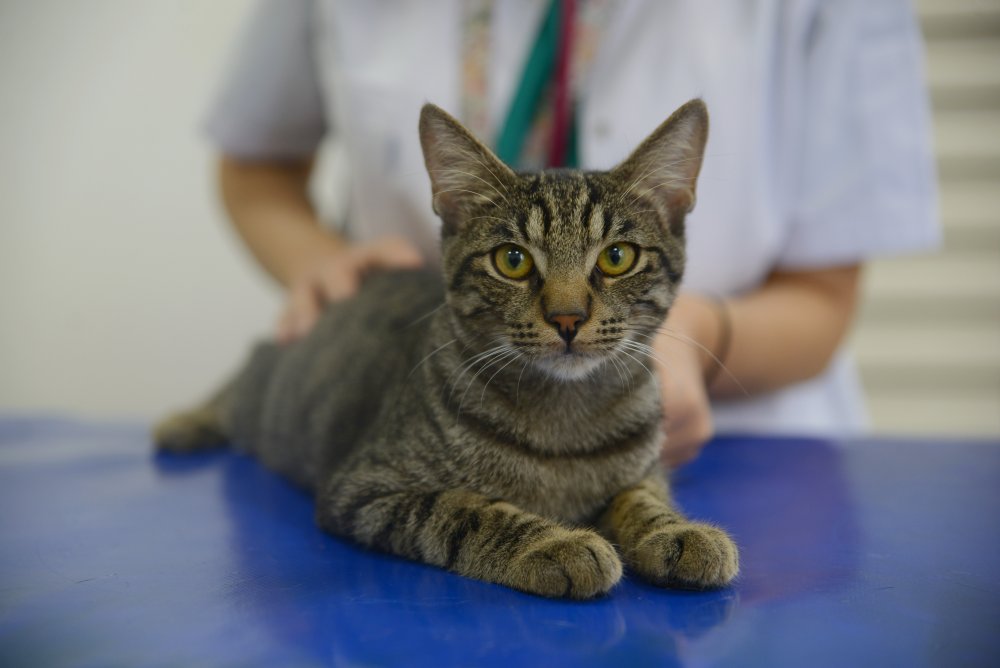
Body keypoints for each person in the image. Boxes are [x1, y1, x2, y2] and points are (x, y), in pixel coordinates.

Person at [204, 0, 939, 466]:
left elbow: (824, 296)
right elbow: (255, 168)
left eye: (614, 258)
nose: (566, 308)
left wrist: (696, 338)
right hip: (430, 402)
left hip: (738, 446)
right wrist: (324, 269)